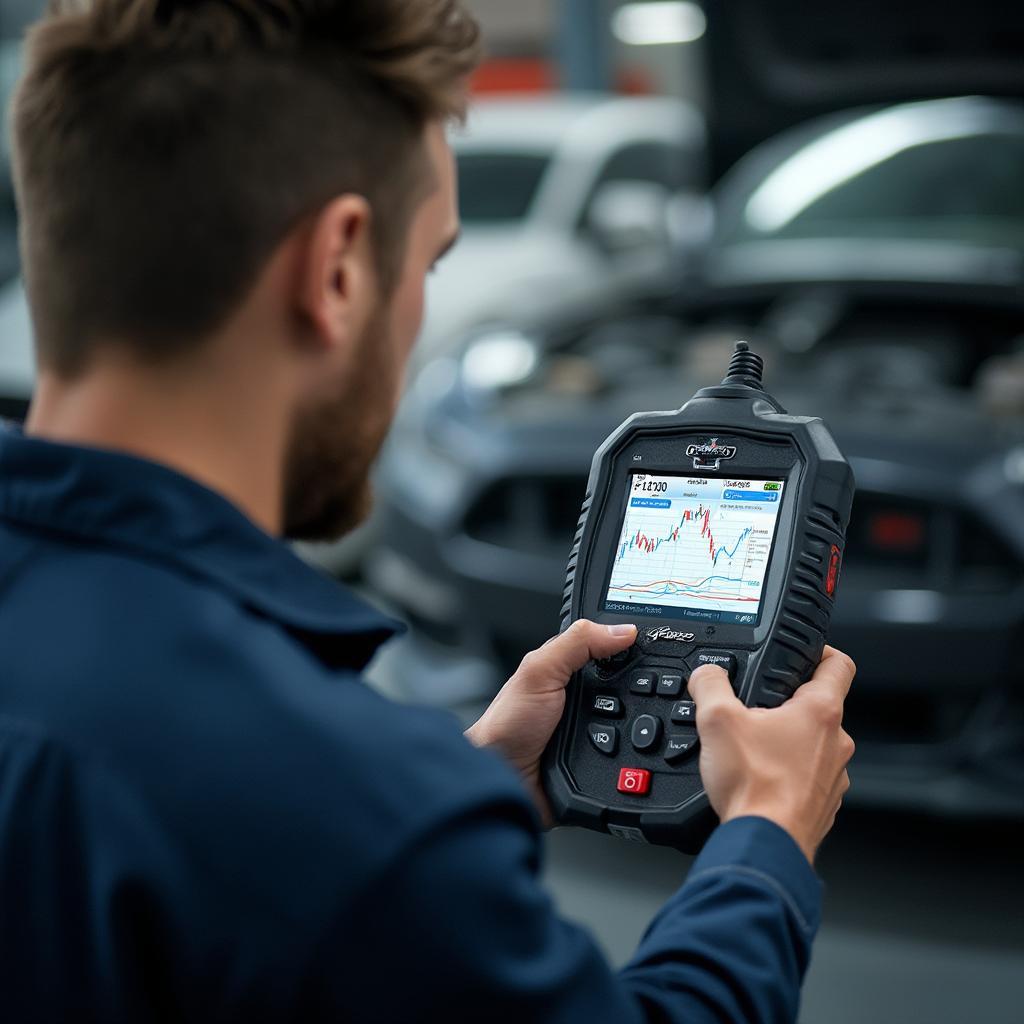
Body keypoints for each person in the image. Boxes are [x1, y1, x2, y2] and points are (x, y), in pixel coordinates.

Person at [0, 1, 856, 1021]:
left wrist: (463, 784)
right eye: (430, 261)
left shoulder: (325, 804)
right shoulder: (349, 812)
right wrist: (765, 833)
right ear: (338, 267)